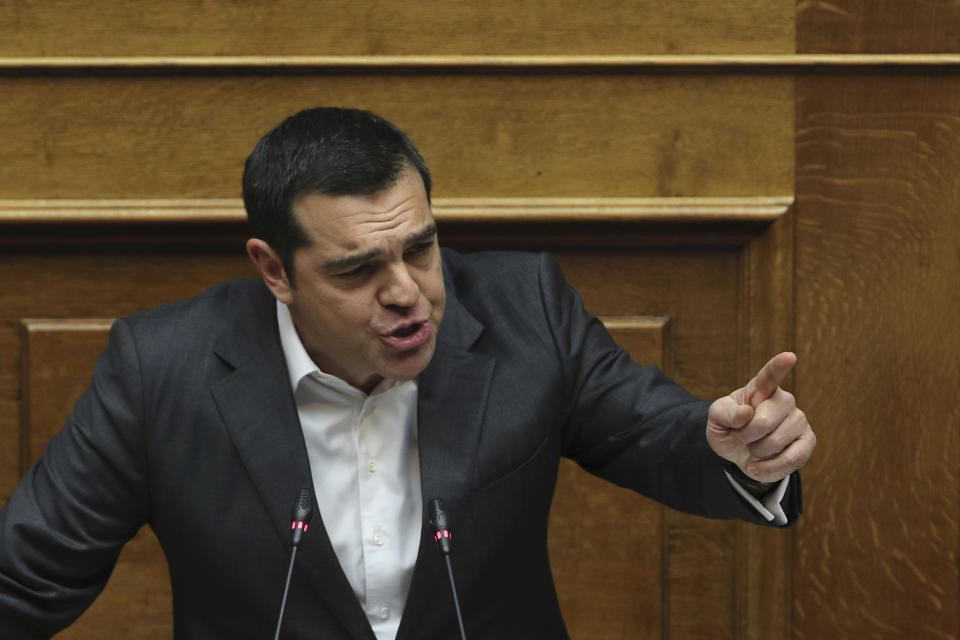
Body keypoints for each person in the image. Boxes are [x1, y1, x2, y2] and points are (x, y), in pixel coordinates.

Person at [0, 107, 815, 639]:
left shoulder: (525, 309)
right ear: (274, 270)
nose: (410, 295)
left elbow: (654, 430)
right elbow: (23, 577)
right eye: (357, 270)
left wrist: (734, 449)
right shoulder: (161, 368)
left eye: (420, 248)